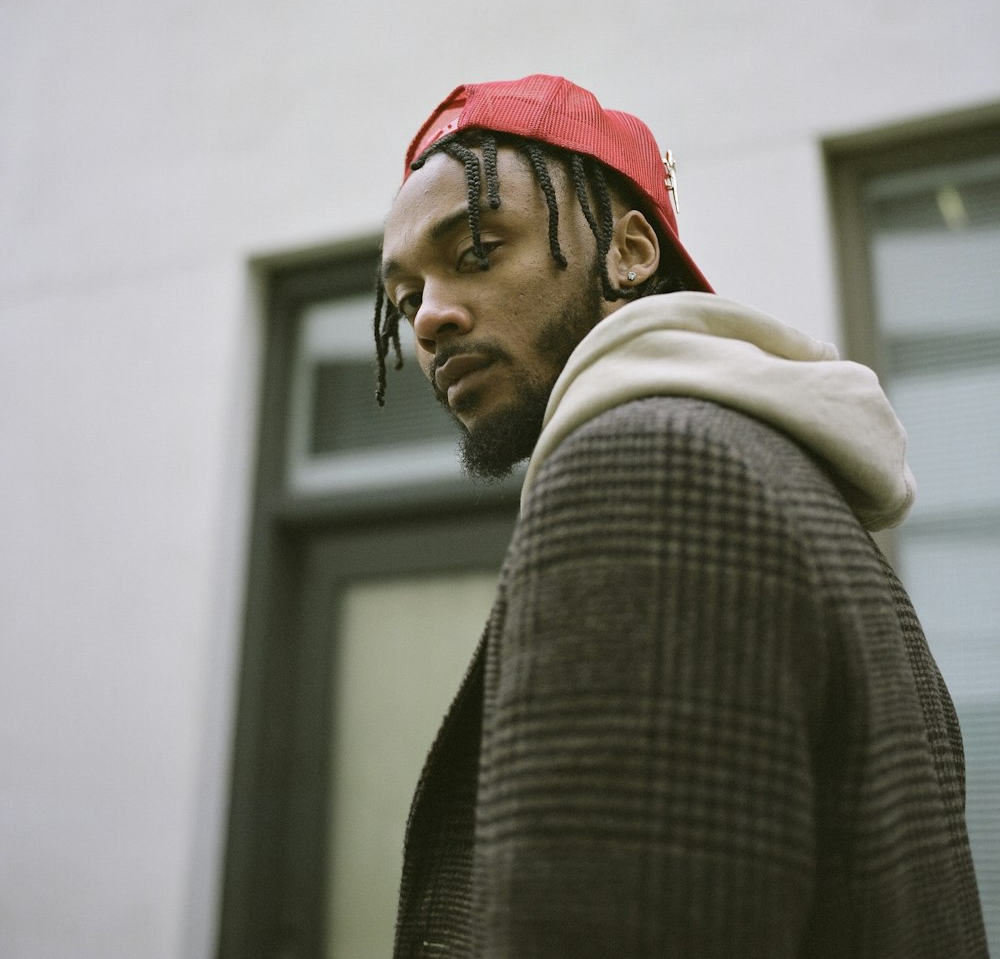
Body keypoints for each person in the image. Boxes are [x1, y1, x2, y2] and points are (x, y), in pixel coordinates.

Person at [375, 74, 988, 958]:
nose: (428, 320)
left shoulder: (643, 471)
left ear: (629, 250)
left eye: (476, 250)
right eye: (403, 301)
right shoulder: (784, 482)